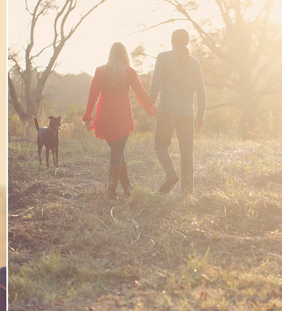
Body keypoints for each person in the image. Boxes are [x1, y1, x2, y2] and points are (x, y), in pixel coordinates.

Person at [82, 42, 158, 199]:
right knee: (117, 152)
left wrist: (89, 117)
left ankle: (127, 187)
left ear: (110, 54)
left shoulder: (100, 71)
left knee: (118, 152)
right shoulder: (128, 72)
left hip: (104, 116)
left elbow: (92, 95)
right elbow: (141, 94)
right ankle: (111, 191)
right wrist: (154, 111)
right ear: (125, 55)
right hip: (122, 116)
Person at [148, 29, 207, 195]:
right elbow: (201, 91)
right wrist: (201, 114)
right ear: (187, 42)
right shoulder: (194, 63)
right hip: (187, 113)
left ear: (172, 40)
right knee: (187, 152)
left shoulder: (163, 57)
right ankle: (187, 192)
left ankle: (170, 173)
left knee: (160, 146)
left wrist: (150, 103)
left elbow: (156, 83)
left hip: (166, 110)